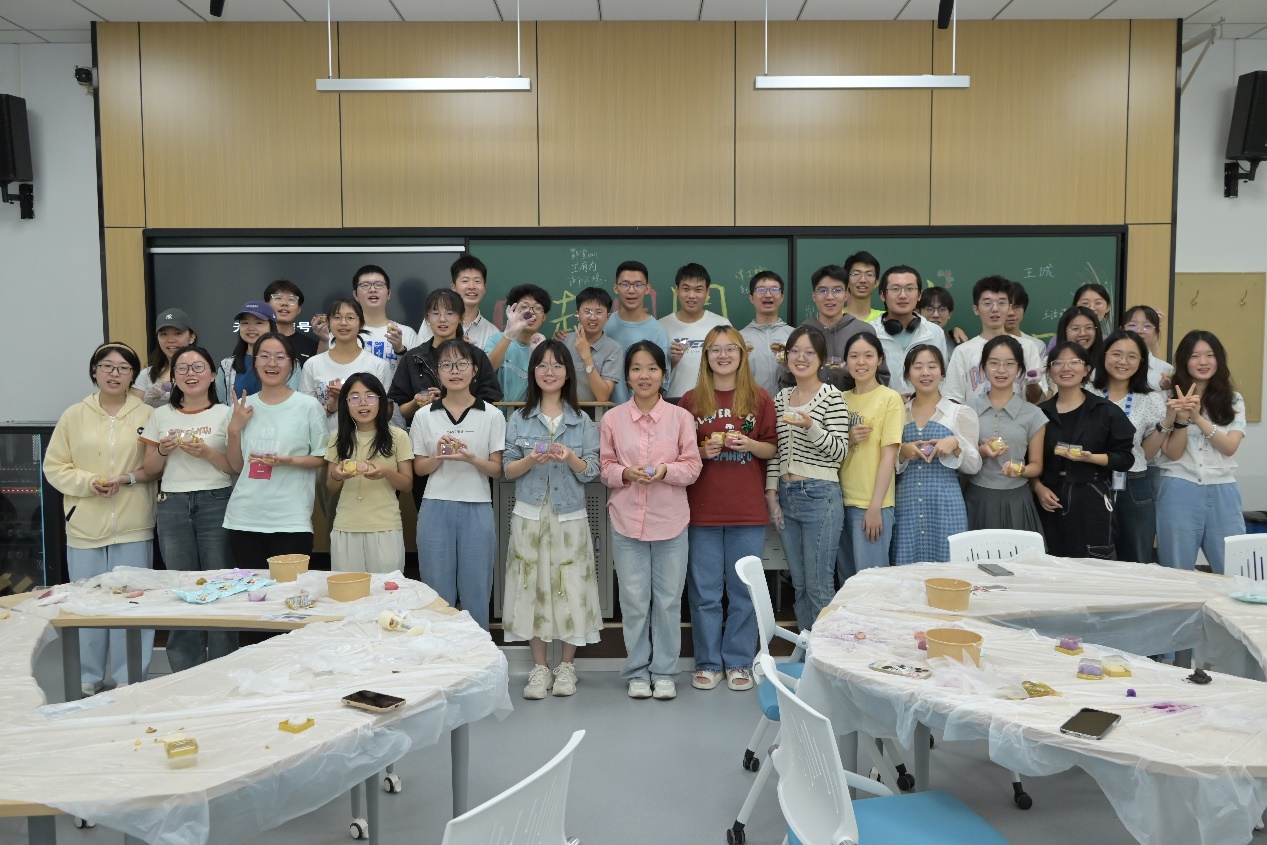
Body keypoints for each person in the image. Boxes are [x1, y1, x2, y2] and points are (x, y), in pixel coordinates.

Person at [44, 343, 158, 695]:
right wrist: (89, 482)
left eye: (123, 368)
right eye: (106, 366)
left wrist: (127, 478)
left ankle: (129, 675)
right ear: (94, 371)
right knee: (86, 604)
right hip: (85, 524)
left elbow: (154, 467)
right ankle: (88, 675)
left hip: (134, 522)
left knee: (132, 603)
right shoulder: (73, 415)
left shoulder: (148, 414)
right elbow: (55, 466)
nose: (114, 373)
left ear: (132, 375)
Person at [600, 341, 702, 701]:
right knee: (633, 601)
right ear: (627, 376)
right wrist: (624, 473)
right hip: (627, 521)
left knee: (669, 601)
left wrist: (664, 471)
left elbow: (692, 467)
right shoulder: (612, 419)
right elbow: (605, 467)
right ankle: (637, 672)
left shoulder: (681, 418)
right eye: (636, 368)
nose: (644, 375)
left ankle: (665, 672)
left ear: (664, 374)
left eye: (652, 368)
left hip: (670, 522)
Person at [502, 340, 602, 700]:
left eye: (557, 365)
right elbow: (507, 470)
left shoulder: (581, 420)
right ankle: (540, 667)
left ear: (567, 373)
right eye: (542, 365)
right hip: (529, 514)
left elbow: (592, 471)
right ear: (533, 373)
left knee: (571, 585)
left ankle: (567, 667)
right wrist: (532, 459)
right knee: (531, 587)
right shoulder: (519, 418)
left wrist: (570, 457)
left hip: (569, 516)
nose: (549, 372)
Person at [679, 326, 777, 693]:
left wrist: (749, 444)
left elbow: (771, 449)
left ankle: (738, 661)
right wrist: (701, 452)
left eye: (730, 349)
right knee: (704, 592)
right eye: (715, 350)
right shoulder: (690, 400)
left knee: (743, 592)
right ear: (705, 357)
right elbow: (678, 454)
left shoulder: (759, 398)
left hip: (747, 510)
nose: (723, 356)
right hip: (701, 511)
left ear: (742, 354)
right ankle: (707, 663)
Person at [139, 345, 237, 672]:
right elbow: (151, 469)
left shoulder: (225, 413)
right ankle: (185, 669)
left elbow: (234, 467)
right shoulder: (160, 415)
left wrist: (207, 453)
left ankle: (222, 666)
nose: (190, 374)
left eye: (197, 367)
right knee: (180, 587)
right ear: (174, 377)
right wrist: (163, 451)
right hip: (173, 504)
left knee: (220, 585)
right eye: (182, 368)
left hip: (216, 500)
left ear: (212, 375)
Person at [410, 339, 505, 629]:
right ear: (437, 371)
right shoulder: (424, 415)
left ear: (474, 370)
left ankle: (477, 652)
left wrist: (471, 458)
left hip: (478, 505)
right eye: (446, 365)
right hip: (435, 506)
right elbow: (419, 468)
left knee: (477, 588)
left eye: (462, 364)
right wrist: (438, 455)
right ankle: (440, 652)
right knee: (437, 592)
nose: (455, 371)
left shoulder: (492, 414)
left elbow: (496, 470)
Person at [766, 326, 849, 631]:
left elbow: (840, 451)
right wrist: (771, 494)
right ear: (786, 356)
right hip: (786, 495)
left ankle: (826, 654)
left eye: (809, 352)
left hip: (820, 495)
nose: (801, 358)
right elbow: (775, 451)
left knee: (818, 585)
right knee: (799, 584)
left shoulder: (832, 397)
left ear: (822, 359)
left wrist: (811, 426)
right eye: (795, 351)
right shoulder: (781, 398)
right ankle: (807, 649)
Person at [222, 333, 328, 568]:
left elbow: (322, 457)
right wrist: (234, 430)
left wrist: (290, 460)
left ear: (292, 364)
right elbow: (236, 467)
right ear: (255, 362)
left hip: (291, 519)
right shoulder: (241, 408)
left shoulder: (308, 406)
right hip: (243, 518)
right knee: (251, 589)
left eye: (280, 357)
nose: (272, 363)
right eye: (265, 356)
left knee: (290, 587)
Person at [1155, 330, 1247, 574]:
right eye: (1195, 356)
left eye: (1210, 355)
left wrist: (1197, 417)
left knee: (1235, 571)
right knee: (1176, 570)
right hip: (1178, 487)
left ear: (1219, 359)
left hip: (1223, 489)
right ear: (1184, 360)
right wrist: (1181, 418)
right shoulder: (1167, 398)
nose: (1203, 362)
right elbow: (1173, 454)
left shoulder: (1233, 400)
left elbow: (1230, 447)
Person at [1032, 342, 1135, 558]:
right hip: (1050, 497)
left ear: (1087, 369)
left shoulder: (1105, 411)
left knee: (1093, 562)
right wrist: (1038, 487)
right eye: (1058, 363)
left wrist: (1092, 458)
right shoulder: (1039, 413)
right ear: (1049, 371)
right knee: (1050, 561)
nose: (1066, 368)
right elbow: (1029, 459)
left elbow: (1125, 458)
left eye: (1074, 362)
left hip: (1091, 494)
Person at [891, 344, 980, 566]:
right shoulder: (898, 413)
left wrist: (956, 444)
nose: (925, 373)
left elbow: (974, 466)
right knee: (907, 568)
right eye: (918, 367)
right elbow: (886, 463)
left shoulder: (959, 413)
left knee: (949, 568)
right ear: (907, 374)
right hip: (907, 505)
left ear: (942, 372)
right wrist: (902, 453)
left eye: (932, 366)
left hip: (946, 505)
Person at [1090, 331, 1170, 564]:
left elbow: (1146, 453)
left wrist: (1167, 422)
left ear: (1141, 362)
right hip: (1091, 481)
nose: (1123, 361)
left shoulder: (1151, 399)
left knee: (1137, 558)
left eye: (1132, 356)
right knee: (1092, 558)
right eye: (1116, 354)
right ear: (1104, 355)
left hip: (1133, 483)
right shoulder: (1086, 392)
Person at [325, 373, 413, 573]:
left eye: (370, 396)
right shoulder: (337, 438)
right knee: (348, 589)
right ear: (346, 403)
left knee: (386, 590)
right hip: (346, 526)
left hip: (385, 526)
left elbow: (407, 484)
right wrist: (338, 475)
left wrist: (386, 472)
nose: (363, 403)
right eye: (354, 397)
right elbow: (330, 487)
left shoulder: (398, 436)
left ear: (381, 401)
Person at [837, 333, 903, 581]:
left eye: (868, 355)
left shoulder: (890, 398)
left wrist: (875, 507)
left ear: (880, 359)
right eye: (854, 356)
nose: (861, 362)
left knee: (872, 583)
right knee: (847, 581)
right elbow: (831, 450)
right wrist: (849, 439)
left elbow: (889, 457)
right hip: (839, 503)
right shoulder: (840, 399)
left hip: (872, 505)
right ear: (846, 361)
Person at [966, 336, 1046, 533]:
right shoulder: (967, 410)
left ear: (1019, 369)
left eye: (1009, 364)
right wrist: (982, 451)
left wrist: (1020, 470)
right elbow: (961, 457)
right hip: (977, 497)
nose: (1001, 370)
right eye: (994, 363)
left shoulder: (1033, 414)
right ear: (983, 368)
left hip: (1017, 499)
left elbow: (1036, 466)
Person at [389, 288, 502, 425]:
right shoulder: (413, 357)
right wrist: (418, 402)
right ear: (427, 318)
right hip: (425, 430)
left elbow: (489, 400)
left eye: (450, 313)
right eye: (435, 313)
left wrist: (449, 400)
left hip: (471, 429)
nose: (442, 319)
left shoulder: (475, 355)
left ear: (460, 317)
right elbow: (403, 411)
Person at [779, 265, 882, 394]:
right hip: (811, 405)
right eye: (822, 290)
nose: (830, 296)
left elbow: (880, 379)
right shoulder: (801, 334)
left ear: (846, 295)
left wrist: (850, 373)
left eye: (837, 290)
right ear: (814, 296)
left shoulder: (863, 331)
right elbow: (787, 387)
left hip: (856, 405)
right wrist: (789, 369)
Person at [943, 276, 1043, 405]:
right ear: (976, 309)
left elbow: (1037, 399)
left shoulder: (1028, 347)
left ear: (1009, 307)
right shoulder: (963, 351)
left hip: (1018, 417)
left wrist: (1032, 383)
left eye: (1001, 303)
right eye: (987, 303)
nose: (995, 309)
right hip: (975, 417)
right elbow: (952, 398)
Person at [299, 298, 393, 433]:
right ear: (328, 322)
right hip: (323, 443)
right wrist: (331, 407)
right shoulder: (312, 364)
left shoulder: (378, 366)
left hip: (365, 442)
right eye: (337, 318)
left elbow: (387, 413)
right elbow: (304, 413)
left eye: (350, 318)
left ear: (361, 323)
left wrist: (353, 399)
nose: (343, 323)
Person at [868, 265, 946, 396]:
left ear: (919, 295)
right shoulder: (870, 332)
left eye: (910, 289)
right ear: (882, 295)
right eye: (895, 289)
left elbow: (943, 379)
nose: (903, 295)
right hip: (882, 407)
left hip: (924, 407)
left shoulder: (934, 333)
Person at [660, 263, 730, 401]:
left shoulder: (722, 325)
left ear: (707, 292)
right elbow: (651, 372)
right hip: (673, 403)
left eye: (698, 290)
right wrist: (671, 362)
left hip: (712, 402)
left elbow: (733, 367)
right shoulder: (661, 327)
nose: (691, 296)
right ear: (677, 290)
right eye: (686, 289)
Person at [605, 260, 672, 404]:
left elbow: (661, 382)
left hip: (643, 411)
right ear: (616, 288)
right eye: (625, 284)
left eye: (638, 285)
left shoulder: (657, 331)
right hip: (604, 410)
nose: (631, 290)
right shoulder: (604, 325)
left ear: (647, 289)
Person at [216, 301, 300, 402]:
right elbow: (222, 404)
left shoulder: (289, 363)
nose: (251, 328)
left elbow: (292, 402)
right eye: (245, 323)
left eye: (259, 323)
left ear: (272, 326)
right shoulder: (227, 365)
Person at [416, 254, 498, 352]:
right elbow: (419, 356)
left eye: (477, 281)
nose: (471, 286)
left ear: (485, 288)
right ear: (453, 287)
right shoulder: (434, 322)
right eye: (465, 281)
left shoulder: (492, 332)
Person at [485, 283, 551, 402]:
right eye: (524, 307)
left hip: (533, 411)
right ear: (513, 311)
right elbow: (486, 371)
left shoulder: (548, 348)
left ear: (544, 316)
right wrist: (509, 336)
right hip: (498, 411)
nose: (531, 312)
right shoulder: (496, 340)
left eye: (537, 308)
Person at [352, 264, 418, 376]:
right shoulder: (344, 332)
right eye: (365, 285)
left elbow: (416, 376)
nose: (372, 289)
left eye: (379, 285)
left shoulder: (407, 333)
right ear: (355, 295)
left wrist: (400, 350)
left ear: (389, 294)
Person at [561, 286, 622, 404]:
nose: (593, 317)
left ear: (608, 317)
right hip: (562, 410)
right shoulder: (563, 341)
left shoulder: (613, 349)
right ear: (577, 314)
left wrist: (586, 357)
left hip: (594, 412)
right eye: (587, 311)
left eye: (599, 312)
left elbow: (603, 397)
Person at [739, 270, 792, 398]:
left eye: (774, 290)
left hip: (789, 406)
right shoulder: (739, 338)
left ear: (782, 297)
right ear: (751, 298)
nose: (768, 295)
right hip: (752, 406)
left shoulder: (795, 336)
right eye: (761, 290)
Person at [133, 307, 196, 408]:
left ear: (191, 337)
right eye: (164, 334)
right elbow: (134, 413)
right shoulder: (145, 375)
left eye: (178, 333)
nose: (171, 340)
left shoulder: (203, 373)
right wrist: (148, 404)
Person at [265, 279, 323, 367]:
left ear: (299, 309)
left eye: (291, 299)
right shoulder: (257, 341)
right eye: (278, 298)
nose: (284, 303)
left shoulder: (311, 346)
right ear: (267, 305)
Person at [1121, 305, 1174, 391]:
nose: (1139, 331)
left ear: (1156, 333)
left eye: (1146, 326)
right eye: (1132, 325)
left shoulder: (1166, 370)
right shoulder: (1109, 364)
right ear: (1121, 330)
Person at [1005, 282, 1046, 364]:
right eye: (1005, 306)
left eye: (1017, 307)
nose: (1011, 313)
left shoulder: (1037, 345)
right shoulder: (983, 343)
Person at [917, 286, 962, 359]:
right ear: (918, 312)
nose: (936, 315)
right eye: (929, 309)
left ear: (949, 314)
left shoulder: (956, 344)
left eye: (942, 309)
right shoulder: (912, 341)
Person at [842, 251, 884, 323]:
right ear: (846, 281)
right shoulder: (834, 316)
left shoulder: (884, 319)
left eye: (869, 274)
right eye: (856, 274)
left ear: (876, 282)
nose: (863, 280)